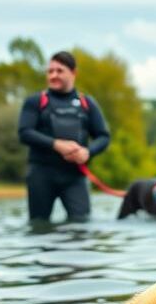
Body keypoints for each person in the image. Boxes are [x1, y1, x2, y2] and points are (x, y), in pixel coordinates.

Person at [18, 51, 111, 222]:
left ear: (73, 73)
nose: (53, 75)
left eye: (59, 71)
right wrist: (56, 144)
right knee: (39, 225)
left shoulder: (87, 103)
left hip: (74, 176)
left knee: (82, 224)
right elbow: (24, 133)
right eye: (50, 71)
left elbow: (103, 136)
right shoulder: (35, 101)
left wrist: (88, 152)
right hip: (41, 174)